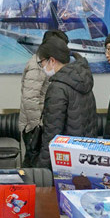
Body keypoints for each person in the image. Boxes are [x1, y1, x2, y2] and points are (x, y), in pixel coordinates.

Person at [37, 37, 98, 168]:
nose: (41, 67)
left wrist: (42, 169)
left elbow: (51, 135)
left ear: (52, 60)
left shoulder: (57, 88)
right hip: (86, 157)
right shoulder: (84, 80)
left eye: (41, 62)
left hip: (65, 160)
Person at [18, 30, 67, 166]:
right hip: (34, 127)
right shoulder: (38, 64)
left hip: (38, 124)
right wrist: (39, 126)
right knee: (34, 166)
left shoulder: (45, 61)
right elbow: (30, 99)